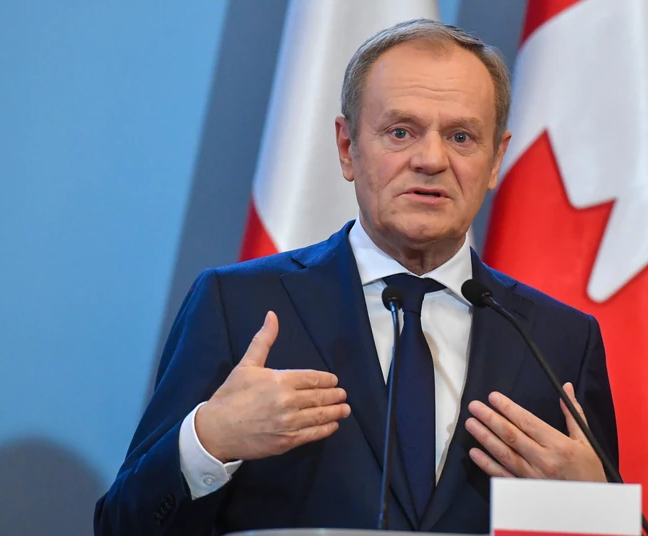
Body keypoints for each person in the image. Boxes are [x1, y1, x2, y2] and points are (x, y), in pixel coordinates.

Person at [94, 19, 617, 536]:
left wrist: (592, 507)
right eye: (400, 132)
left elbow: (596, 527)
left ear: (496, 159)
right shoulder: (236, 306)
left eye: (461, 137)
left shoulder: (560, 341)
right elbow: (121, 527)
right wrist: (207, 442)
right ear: (347, 147)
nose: (431, 159)